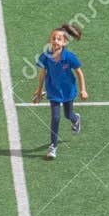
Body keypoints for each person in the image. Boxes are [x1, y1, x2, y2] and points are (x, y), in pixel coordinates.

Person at [32, 23, 86, 161]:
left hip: (68, 91)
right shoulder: (46, 56)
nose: (56, 41)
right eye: (53, 38)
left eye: (59, 39)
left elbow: (79, 72)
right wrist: (39, 91)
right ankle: (53, 146)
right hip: (54, 91)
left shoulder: (69, 57)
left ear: (65, 42)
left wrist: (83, 90)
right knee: (55, 118)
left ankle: (76, 119)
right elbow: (42, 74)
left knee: (68, 115)